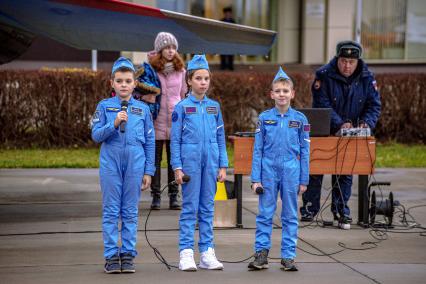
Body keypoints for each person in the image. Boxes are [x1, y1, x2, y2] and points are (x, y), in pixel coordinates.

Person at [300, 40, 381, 230]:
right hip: (326, 130)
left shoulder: (367, 77)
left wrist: (366, 123)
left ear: (357, 61)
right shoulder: (324, 75)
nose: (347, 65)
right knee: (316, 167)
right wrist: (338, 124)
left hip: (352, 133)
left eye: (351, 62)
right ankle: (310, 209)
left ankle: (341, 210)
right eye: (343, 61)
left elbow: (374, 105)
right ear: (337, 59)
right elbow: (322, 103)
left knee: (346, 169)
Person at [91, 57, 155, 274]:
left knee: (129, 211)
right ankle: (111, 255)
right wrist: (114, 123)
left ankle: (127, 254)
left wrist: (149, 170)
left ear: (134, 83)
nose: (124, 85)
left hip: (135, 164)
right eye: (119, 81)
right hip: (111, 163)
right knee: (111, 210)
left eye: (128, 81)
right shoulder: (104, 106)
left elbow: (150, 141)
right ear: (112, 83)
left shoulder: (143, 109)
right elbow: (96, 135)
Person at [248, 67, 310, 272]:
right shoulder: (265, 118)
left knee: (290, 214)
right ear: (271, 94)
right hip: (268, 171)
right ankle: (261, 254)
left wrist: (304, 179)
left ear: (292, 94)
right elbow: (257, 150)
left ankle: (288, 256)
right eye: (278, 91)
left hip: (291, 171)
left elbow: (305, 151)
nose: (282, 94)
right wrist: (255, 178)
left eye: (285, 91)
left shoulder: (300, 120)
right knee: (265, 213)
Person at [171, 54, 228, 271]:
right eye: (198, 78)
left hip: (211, 164)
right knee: (189, 208)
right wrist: (177, 167)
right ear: (189, 80)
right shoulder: (182, 108)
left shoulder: (214, 107)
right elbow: (175, 140)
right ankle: (186, 253)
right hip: (190, 165)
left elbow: (220, 137)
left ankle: (207, 253)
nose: (203, 82)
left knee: (207, 208)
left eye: (206, 78)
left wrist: (223, 165)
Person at [148, 32, 187, 210]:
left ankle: (174, 196)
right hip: (156, 120)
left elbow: (183, 96)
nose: (171, 51)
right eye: (167, 48)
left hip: (175, 123)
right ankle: (156, 196)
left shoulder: (181, 71)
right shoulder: (151, 71)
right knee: (155, 161)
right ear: (159, 49)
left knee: (174, 161)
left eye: (173, 48)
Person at [219, 6, 235, 71]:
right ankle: (223, 66)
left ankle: (230, 67)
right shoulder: (221, 21)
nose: (228, 14)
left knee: (231, 54)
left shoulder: (233, 21)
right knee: (223, 54)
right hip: (223, 40)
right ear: (224, 14)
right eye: (226, 13)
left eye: (229, 13)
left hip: (231, 40)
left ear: (230, 14)